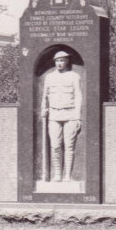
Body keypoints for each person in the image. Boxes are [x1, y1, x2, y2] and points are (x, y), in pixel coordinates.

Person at [41, 50, 83, 183]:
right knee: (55, 146)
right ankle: (58, 174)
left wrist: (77, 117)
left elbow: (78, 96)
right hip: (54, 114)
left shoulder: (74, 76)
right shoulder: (49, 77)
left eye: (62, 60)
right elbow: (45, 95)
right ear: (55, 62)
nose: (60, 63)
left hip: (70, 113)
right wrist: (43, 108)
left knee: (69, 146)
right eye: (58, 61)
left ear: (67, 61)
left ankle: (67, 176)